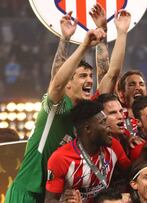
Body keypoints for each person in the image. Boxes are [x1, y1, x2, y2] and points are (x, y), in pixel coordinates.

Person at [5, 18, 106, 202]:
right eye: (83, 76)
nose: (90, 81)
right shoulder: (56, 108)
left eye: (91, 76)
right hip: (28, 194)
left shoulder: (86, 116)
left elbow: (108, 79)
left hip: (53, 196)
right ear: (68, 84)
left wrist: (103, 33)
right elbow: (57, 82)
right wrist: (79, 44)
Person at [45, 100, 131, 202]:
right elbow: (50, 200)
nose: (108, 127)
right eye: (103, 122)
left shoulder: (114, 146)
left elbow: (130, 174)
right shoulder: (60, 158)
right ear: (88, 129)